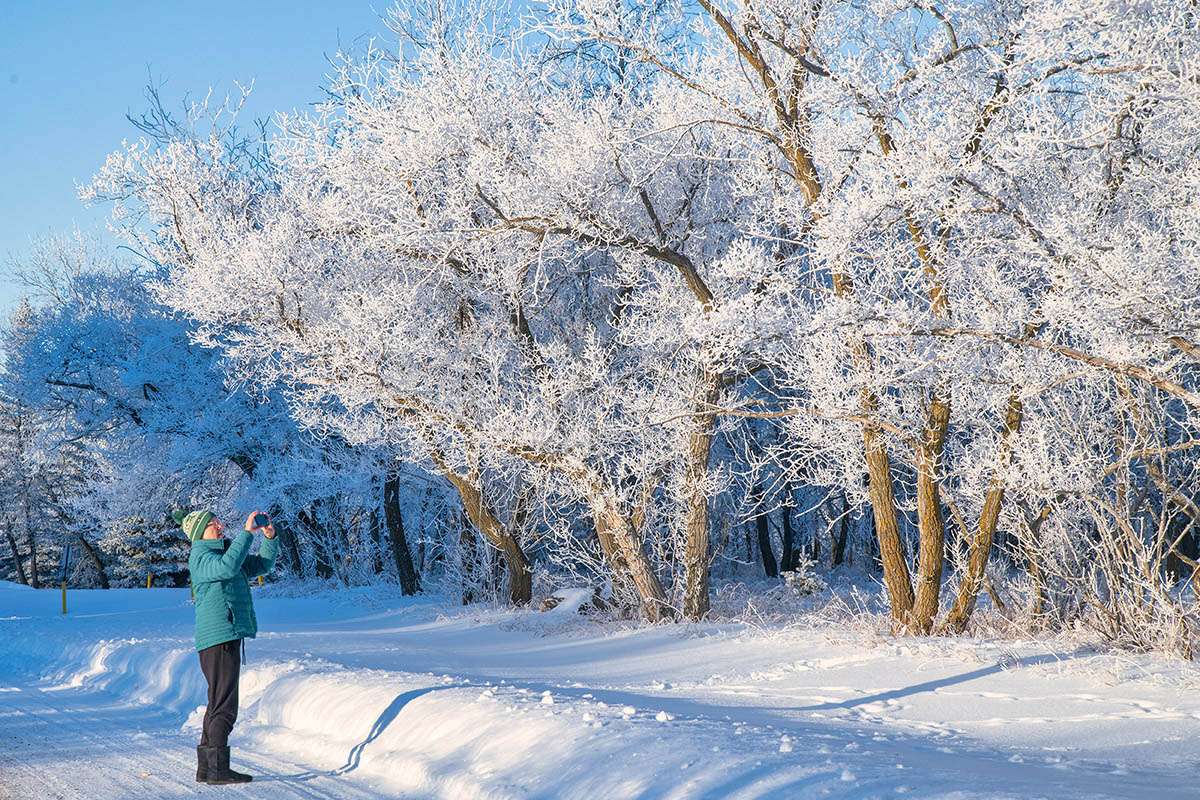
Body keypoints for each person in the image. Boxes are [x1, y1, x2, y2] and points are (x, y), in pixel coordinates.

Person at [174, 508, 278, 785]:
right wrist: (246, 533)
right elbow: (228, 568)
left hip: (224, 636)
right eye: (212, 523)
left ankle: (206, 768)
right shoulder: (201, 556)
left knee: (216, 702)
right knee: (225, 706)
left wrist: (269, 537)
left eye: (218, 520)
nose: (219, 525)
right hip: (218, 637)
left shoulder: (225, 552)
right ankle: (218, 770)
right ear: (199, 533)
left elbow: (263, 566)